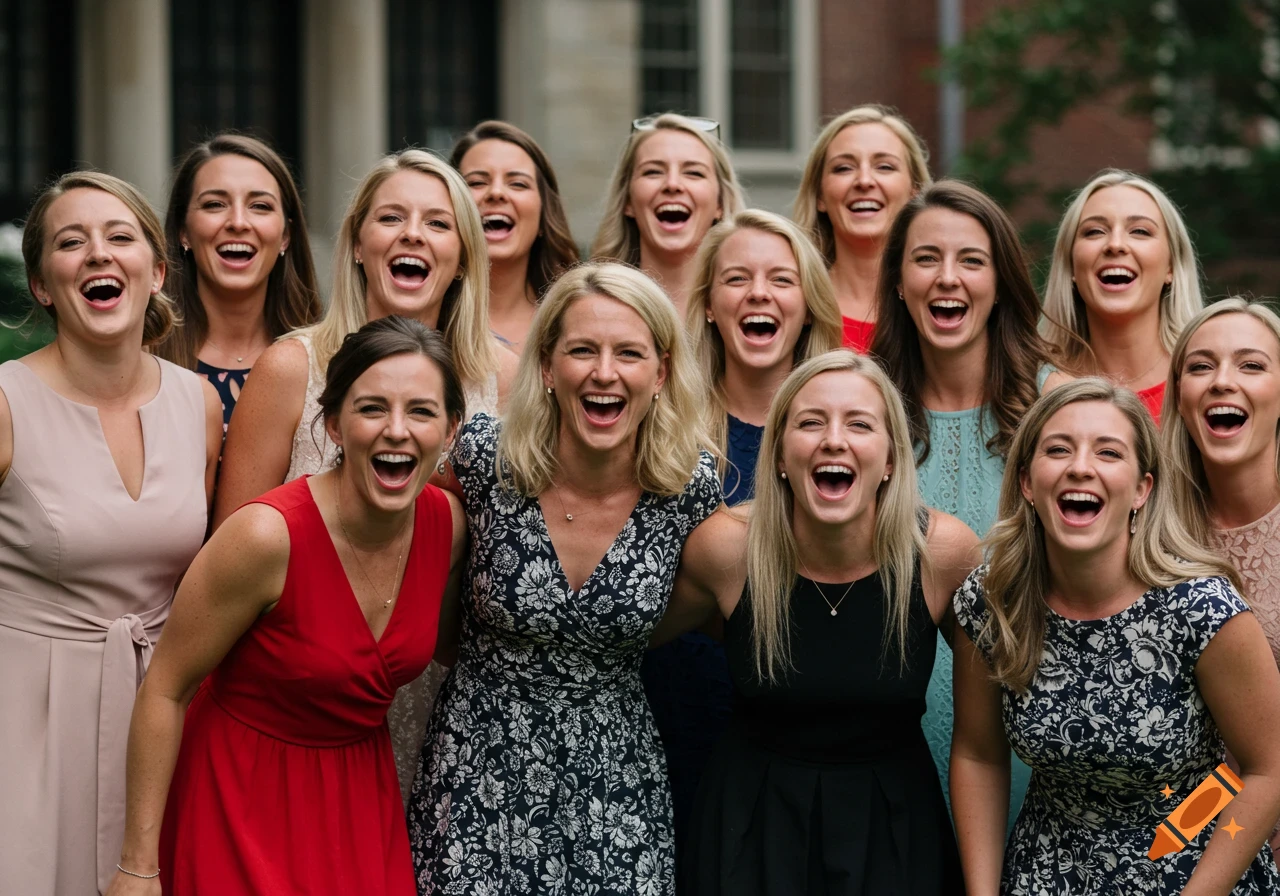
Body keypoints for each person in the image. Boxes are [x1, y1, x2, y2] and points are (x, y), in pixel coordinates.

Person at [105, 316, 468, 896]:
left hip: (358, 803)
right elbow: (166, 689)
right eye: (372, 408)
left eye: (421, 412)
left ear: (451, 430)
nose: (396, 430)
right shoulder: (265, 538)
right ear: (333, 425)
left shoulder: (446, 529)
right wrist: (138, 864)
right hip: (241, 794)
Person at [407, 262, 722, 894]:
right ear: (547, 368)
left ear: (660, 373)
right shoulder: (481, 460)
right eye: (583, 350)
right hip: (478, 765)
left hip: (617, 785)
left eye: (628, 353)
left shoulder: (690, 487)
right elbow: (424, 590)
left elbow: (702, 613)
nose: (604, 372)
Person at [214, 149, 505, 799]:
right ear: (356, 244)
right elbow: (229, 561)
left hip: (449, 709)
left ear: (462, 257)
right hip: (301, 709)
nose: (412, 235)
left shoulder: (502, 381)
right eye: (391, 217)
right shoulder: (293, 368)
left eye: (437, 223)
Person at [657, 350, 975, 894]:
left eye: (859, 424)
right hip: (750, 837)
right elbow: (627, 632)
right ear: (780, 454)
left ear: (892, 458)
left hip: (894, 838)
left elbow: (978, 745)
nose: (834, 440)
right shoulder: (728, 548)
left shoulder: (941, 555)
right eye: (810, 422)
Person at [951, 378, 1280, 894]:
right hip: (1046, 875)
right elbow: (978, 754)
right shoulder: (993, 602)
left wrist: (1190, 872)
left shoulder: (1201, 611)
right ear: (1027, 483)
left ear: (1142, 489)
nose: (1080, 466)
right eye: (1058, 449)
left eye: (1108, 452)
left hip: (1192, 870)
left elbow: (1269, 769)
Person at [0, 171, 221, 894]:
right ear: (41, 283)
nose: (98, 254)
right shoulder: (5, 403)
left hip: (162, 727)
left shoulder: (200, 407)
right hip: (25, 728)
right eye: (71, 242)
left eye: (119, 237)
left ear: (156, 271)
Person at [641, 208, 842, 857]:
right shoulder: (662, 435)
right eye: (738, 279)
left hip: (808, 739)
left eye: (781, 279)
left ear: (808, 306)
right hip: (672, 720)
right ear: (705, 306)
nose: (759, 294)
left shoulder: (846, 438)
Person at [870, 179, 1065, 822]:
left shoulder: (1060, 412)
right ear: (899, 281)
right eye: (926, 258)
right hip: (889, 766)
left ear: (1001, 282)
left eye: (971, 260)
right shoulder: (861, 417)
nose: (947, 278)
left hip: (1038, 762)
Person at [1164, 297, 1280, 862]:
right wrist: (1181, 844)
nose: (1221, 382)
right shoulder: (1147, 536)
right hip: (1186, 842)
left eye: (1251, 365)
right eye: (1201, 366)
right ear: (1179, 396)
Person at [153, 132, 322, 430]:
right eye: (215, 204)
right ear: (183, 232)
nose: (238, 222)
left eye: (260, 206)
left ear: (285, 236)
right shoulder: (142, 356)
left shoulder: (327, 360)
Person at [1040, 169, 1204, 424]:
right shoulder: (1031, 386)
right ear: (1071, 265)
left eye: (1140, 231)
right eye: (1094, 231)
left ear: (1171, 267)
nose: (1115, 244)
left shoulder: (1206, 385)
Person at [793, 105, 931, 352]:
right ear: (820, 196)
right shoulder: (793, 303)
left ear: (915, 191)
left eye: (885, 167)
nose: (864, 181)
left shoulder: (939, 300)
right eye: (844, 168)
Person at [591, 113, 745, 314]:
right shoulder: (594, 307)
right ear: (627, 200)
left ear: (720, 203)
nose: (672, 184)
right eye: (653, 171)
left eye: (693, 173)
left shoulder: (745, 310)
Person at [450, 120, 579, 352]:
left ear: (544, 215)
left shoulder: (574, 319)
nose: (496, 193)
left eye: (518, 184)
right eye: (477, 182)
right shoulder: (424, 316)